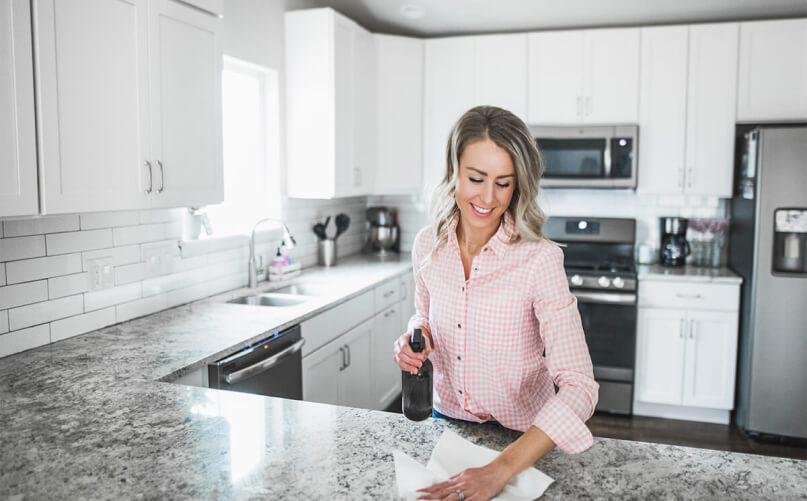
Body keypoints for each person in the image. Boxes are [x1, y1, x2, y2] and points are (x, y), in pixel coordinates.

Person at [393, 105, 599, 501]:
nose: (488, 198)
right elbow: (424, 315)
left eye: (503, 183)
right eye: (475, 178)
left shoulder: (539, 260)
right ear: (453, 170)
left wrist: (501, 468)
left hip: (522, 443)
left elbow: (580, 387)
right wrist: (415, 336)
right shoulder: (427, 245)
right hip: (447, 427)